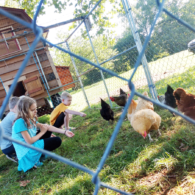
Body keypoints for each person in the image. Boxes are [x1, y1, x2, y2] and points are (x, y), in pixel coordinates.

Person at [12, 96, 74, 172]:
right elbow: (29, 141)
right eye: (32, 110)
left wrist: (64, 132)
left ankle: (41, 155)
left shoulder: (30, 118)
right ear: (24, 111)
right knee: (57, 140)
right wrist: (42, 132)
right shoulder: (20, 122)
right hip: (26, 153)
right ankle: (36, 159)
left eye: (35, 108)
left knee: (47, 129)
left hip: (31, 146)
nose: (36, 111)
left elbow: (46, 127)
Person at [0, 96, 19, 163]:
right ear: (17, 106)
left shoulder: (9, 116)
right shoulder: (13, 116)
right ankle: (15, 154)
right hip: (10, 146)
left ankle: (13, 155)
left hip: (5, 148)